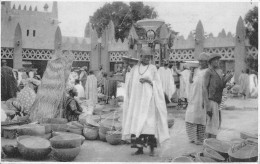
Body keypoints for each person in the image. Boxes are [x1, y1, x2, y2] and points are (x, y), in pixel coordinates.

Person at [122, 47, 170, 156]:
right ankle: (139, 149)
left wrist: (148, 81)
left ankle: (152, 149)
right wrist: (125, 67)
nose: (148, 58)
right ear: (141, 57)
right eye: (145, 56)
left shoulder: (153, 68)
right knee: (137, 124)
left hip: (149, 102)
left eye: (149, 57)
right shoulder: (135, 68)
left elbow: (158, 83)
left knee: (149, 124)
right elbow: (128, 81)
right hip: (137, 102)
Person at [204, 53, 233, 139]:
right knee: (211, 125)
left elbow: (221, 86)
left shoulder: (219, 71)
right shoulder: (208, 71)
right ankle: (209, 144)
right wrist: (207, 105)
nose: (217, 61)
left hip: (217, 100)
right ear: (210, 62)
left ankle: (211, 144)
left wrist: (227, 80)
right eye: (215, 60)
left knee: (215, 124)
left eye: (218, 60)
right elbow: (204, 88)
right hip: (211, 100)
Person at [185, 53, 208, 145]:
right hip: (193, 96)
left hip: (202, 97)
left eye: (203, 61)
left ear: (207, 62)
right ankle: (192, 137)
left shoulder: (208, 71)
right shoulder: (196, 70)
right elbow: (190, 81)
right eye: (200, 61)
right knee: (191, 116)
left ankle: (200, 139)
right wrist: (191, 71)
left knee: (201, 118)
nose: (201, 62)